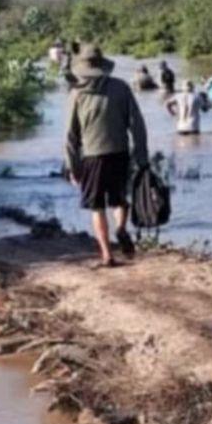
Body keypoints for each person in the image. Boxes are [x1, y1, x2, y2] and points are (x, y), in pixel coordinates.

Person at [65, 44, 148, 267]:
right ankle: (121, 228)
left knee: (97, 206)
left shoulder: (77, 94)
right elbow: (137, 124)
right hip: (120, 152)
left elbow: (71, 135)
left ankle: (107, 255)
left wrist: (72, 166)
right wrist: (141, 157)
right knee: (120, 199)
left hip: (92, 156)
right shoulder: (121, 87)